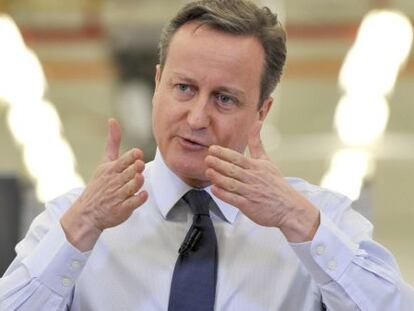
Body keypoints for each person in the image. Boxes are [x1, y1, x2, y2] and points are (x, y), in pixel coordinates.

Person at [1, 0, 413, 310]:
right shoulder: (71, 218)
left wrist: (297, 220)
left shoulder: (320, 219)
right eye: (184, 88)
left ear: (261, 112)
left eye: (225, 99)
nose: (197, 118)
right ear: (158, 82)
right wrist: (83, 225)